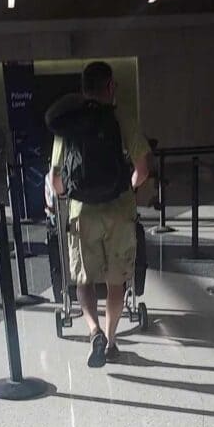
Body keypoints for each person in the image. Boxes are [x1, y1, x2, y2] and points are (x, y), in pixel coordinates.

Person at [47, 61, 150, 367]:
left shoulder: (69, 123)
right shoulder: (121, 118)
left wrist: (70, 196)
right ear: (109, 87)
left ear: (83, 89)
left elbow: (55, 180)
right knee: (116, 282)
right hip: (119, 211)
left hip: (83, 213)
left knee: (83, 280)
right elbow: (143, 169)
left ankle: (93, 332)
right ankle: (112, 339)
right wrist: (127, 189)